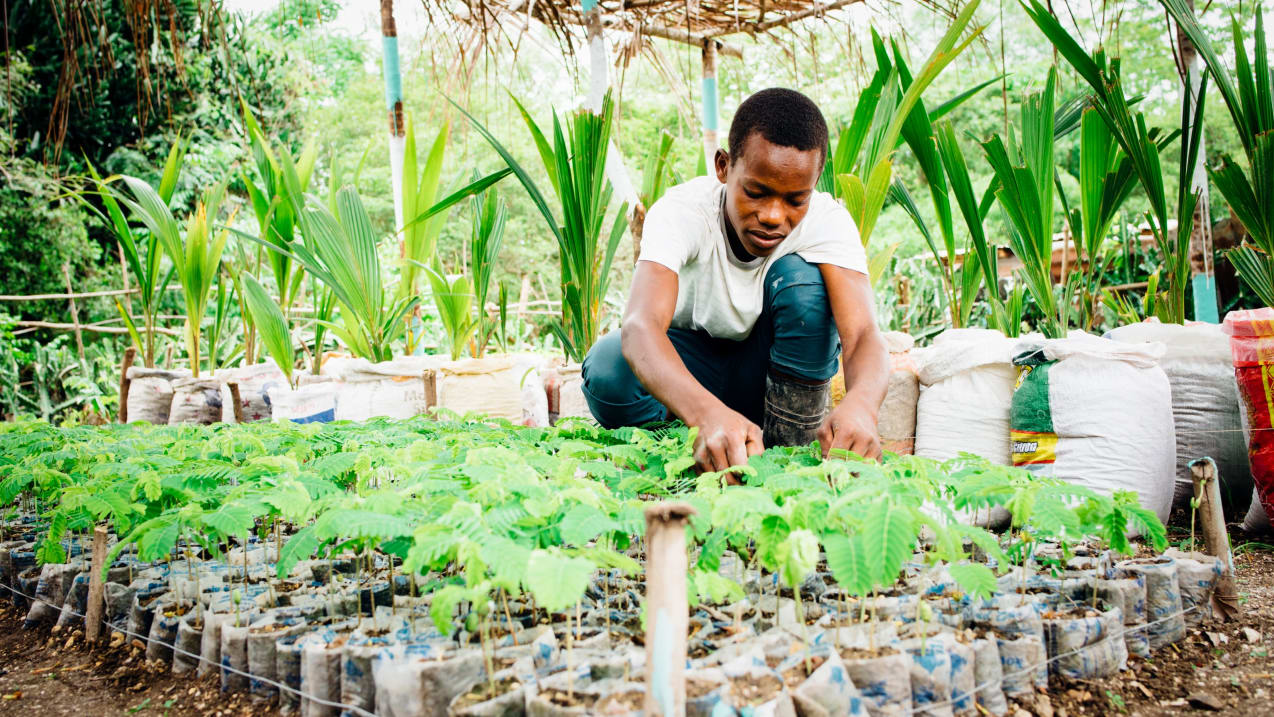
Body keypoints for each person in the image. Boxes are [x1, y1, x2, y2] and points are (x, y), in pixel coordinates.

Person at [581, 87, 889, 473]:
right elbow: (641, 326)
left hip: (769, 375)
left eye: (796, 200)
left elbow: (862, 334)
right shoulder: (683, 212)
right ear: (724, 167)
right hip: (691, 367)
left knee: (804, 283)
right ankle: (693, 446)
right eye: (756, 192)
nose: (774, 216)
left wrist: (862, 406)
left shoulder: (827, 221)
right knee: (609, 371)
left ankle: (788, 450)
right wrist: (705, 414)